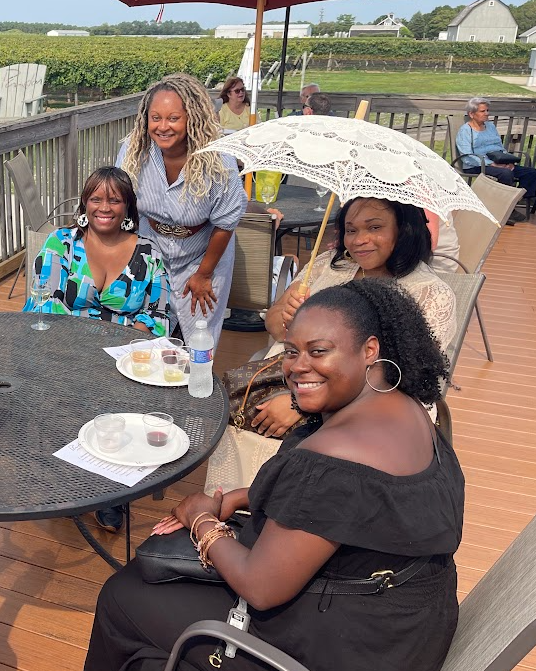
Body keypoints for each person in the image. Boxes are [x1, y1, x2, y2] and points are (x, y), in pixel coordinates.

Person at [86, 279, 463, 671]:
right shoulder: (408, 409)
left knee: (123, 595)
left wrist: (200, 517)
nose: (298, 367)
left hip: (348, 645)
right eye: (291, 351)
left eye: (319, 352)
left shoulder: (333, 455)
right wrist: (246, 495)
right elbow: (361, 505)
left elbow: (261, 588)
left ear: (370, 350)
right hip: (408, 621)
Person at [254, 197, 456, 439]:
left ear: (403, 229)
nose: (359, 240)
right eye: (351, 230)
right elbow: (274, 325)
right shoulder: (327, 267)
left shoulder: (429, 294)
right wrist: (287, 320)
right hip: (291, 382)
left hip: (375, 412)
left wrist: (298, 403)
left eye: (374, 227)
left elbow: (404, 377)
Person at [116, 73, 246, 345]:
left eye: (173, 118)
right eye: (156, 118)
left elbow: (226, 223)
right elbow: (121, 201)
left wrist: (204, 273)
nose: (163, 127)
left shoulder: (219, 161)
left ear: (192, 118)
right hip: (151, 248)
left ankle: (195, 384)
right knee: (145, 330)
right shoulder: (133, 149)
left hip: (203, 253)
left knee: (198, 336)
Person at [25, 167, 171, 336]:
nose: (104, 208)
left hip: (125, 353)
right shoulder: (62, 243)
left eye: (114, 201)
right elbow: (47, 305)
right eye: (96, 200)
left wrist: (129, 349)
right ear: (85, 203)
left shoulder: (149, 254)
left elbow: (157, 315)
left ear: (128, 206)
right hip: (61, 344)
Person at [456, 96, 536, 220]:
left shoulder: (491, 127)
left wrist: (507, 161)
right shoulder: (465, 131)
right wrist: (492, 164)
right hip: (477, 165)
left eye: (487, 110)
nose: (487, 114)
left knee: (531, 173)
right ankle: (509, 210)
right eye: (483, 111)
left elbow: (499, 147)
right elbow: (467, 156)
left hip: (498, 163)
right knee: (506, 174)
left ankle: (513, 199)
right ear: (471, 114)